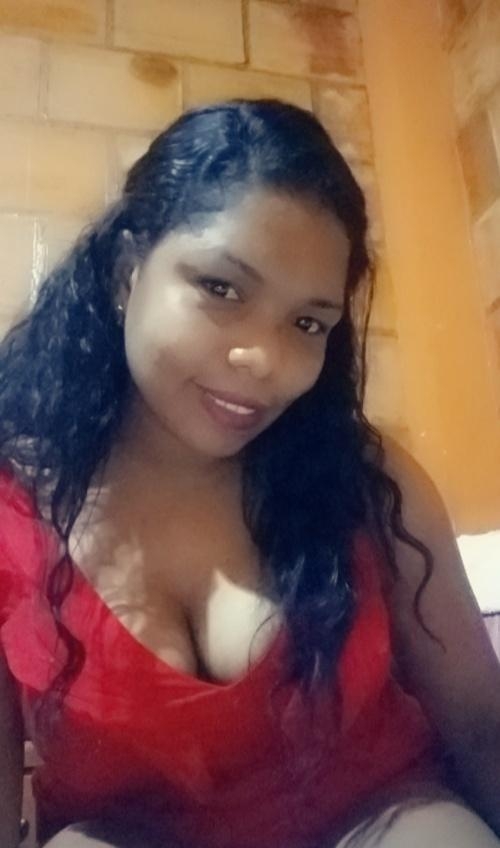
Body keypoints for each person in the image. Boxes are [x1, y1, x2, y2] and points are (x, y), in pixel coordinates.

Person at [0, 99, 498, 848]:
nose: (264, 360)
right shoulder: (15, 509)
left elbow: (482, 725)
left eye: (307, 323)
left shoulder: (363, 480)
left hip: (375, 816)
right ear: (127, 272)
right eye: (222, 288)